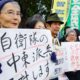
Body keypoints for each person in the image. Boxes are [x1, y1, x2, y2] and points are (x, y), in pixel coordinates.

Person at [46, 13, 64, 80]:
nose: (58, 26)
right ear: (48, 25)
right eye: (55, 24)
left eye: (59, 24)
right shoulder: (42, 40)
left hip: (55, 73)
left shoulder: (56, 39)